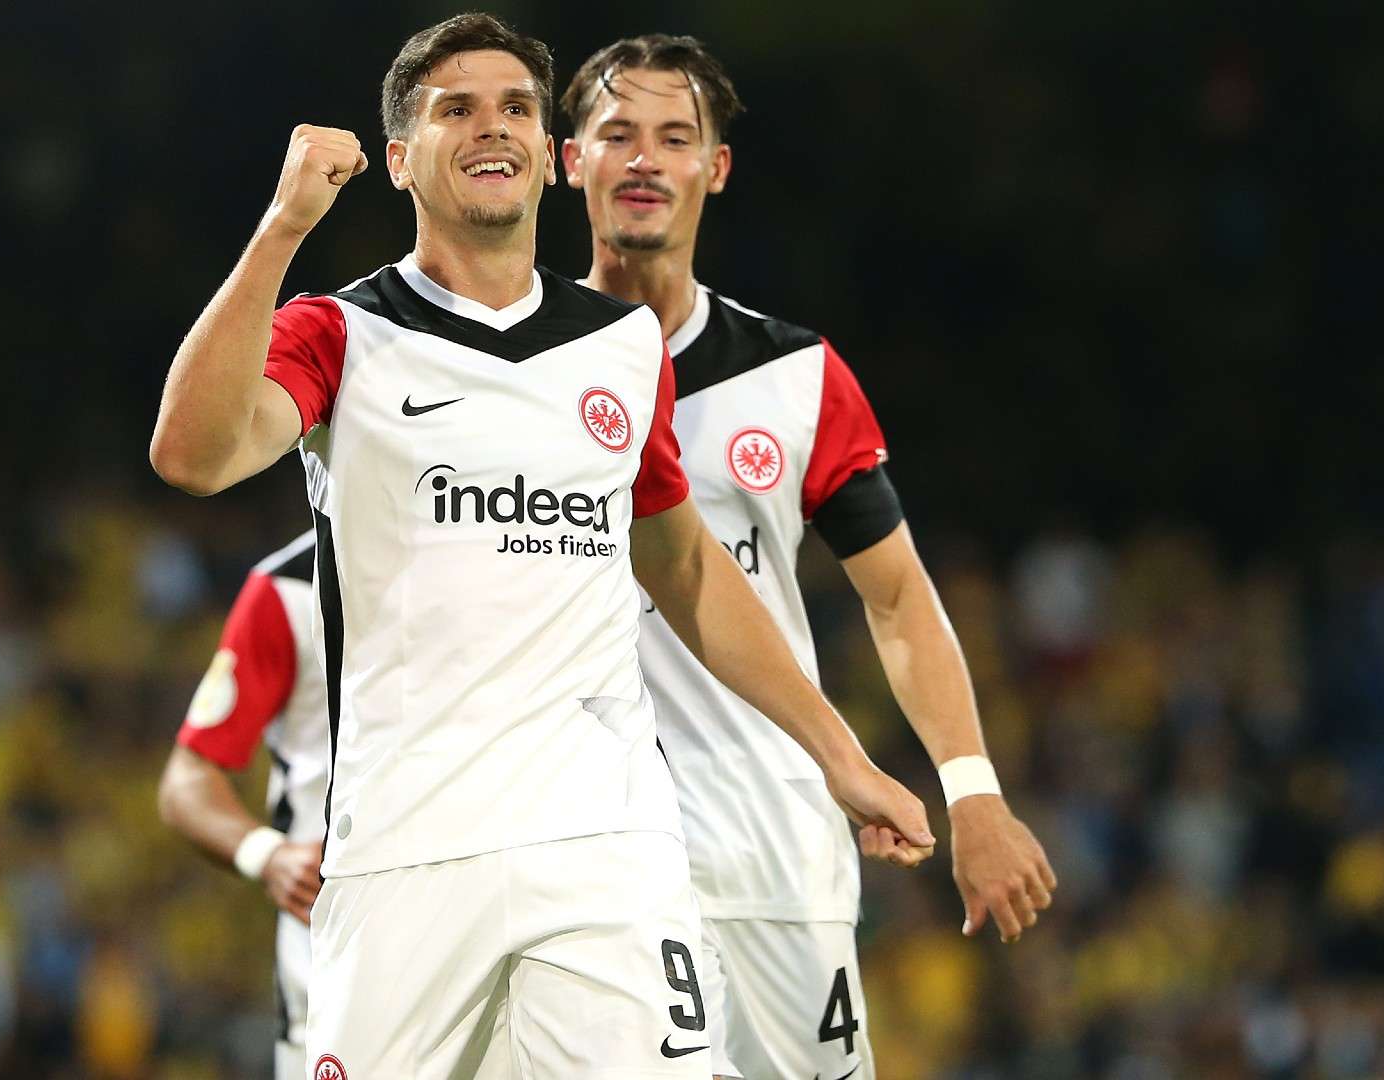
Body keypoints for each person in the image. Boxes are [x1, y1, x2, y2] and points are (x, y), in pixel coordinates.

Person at [146, 14, 933, 1077]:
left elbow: (685, 568)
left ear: (548, 154)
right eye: (456, 109)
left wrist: (841, 756)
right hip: (407, 848)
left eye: (515, 106)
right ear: (399, 158)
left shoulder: (621, 346)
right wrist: (283, 227)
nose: (493, 126)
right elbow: (192, 455)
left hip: (602, 843)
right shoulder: (340, 333)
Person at [558, 35, 1058, 1080]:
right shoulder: (513, 368)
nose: (644, 159)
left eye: (675, 137)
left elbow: (898, 599)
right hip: (584, 852)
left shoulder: (795, 377)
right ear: (571, 160)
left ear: (716, 168)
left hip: (771, 848)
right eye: (617, 133)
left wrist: (971, 790)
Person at [156, 531, 327, 1077]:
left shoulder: (519, 552)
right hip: (332, 942)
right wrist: (267, 855)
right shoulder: (288, 588)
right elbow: (187, 778)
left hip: (495, 917)